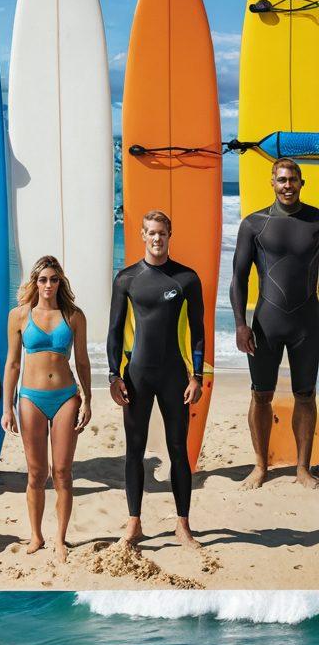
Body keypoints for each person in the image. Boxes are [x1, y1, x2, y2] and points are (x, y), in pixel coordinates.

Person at [107, 210, 204, 548]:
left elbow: (198, 333)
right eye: (151, 232)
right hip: (136, 376)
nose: (157, 238)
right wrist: (113, 376)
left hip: (175, 376)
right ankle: (134, 523)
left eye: (162, 232)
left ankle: (183, 524)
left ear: (170, 234)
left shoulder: (186, 279)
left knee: (179, 449)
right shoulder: (126, 279)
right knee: (134, 450)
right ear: (142, 235)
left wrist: (198, 376)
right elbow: (115, 332)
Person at [230, 158, 319, 490]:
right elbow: (238, 279)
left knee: (306, 395)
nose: (287, 185)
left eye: (293, 179)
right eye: (282, 179)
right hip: (266, 323)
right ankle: (260, 465)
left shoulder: (316, 220)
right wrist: (240, 324)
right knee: (261, 395)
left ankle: (303, 469)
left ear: (301, 183)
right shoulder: (254, 224)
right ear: (272, 182)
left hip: (308, 323)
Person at [2, 256, 92, 563]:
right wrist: (7, 407)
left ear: (60, 282)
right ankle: (36, 535)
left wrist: (89, 399)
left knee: (63, 472)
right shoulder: (19, 316)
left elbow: (82, 361)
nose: (48, 285)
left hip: (66, 396)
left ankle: (60, 539)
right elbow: (13, 363)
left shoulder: (74, 316)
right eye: (43, 280)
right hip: (30, 398)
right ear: (34, 282)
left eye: (54, 279)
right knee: (36, 472)